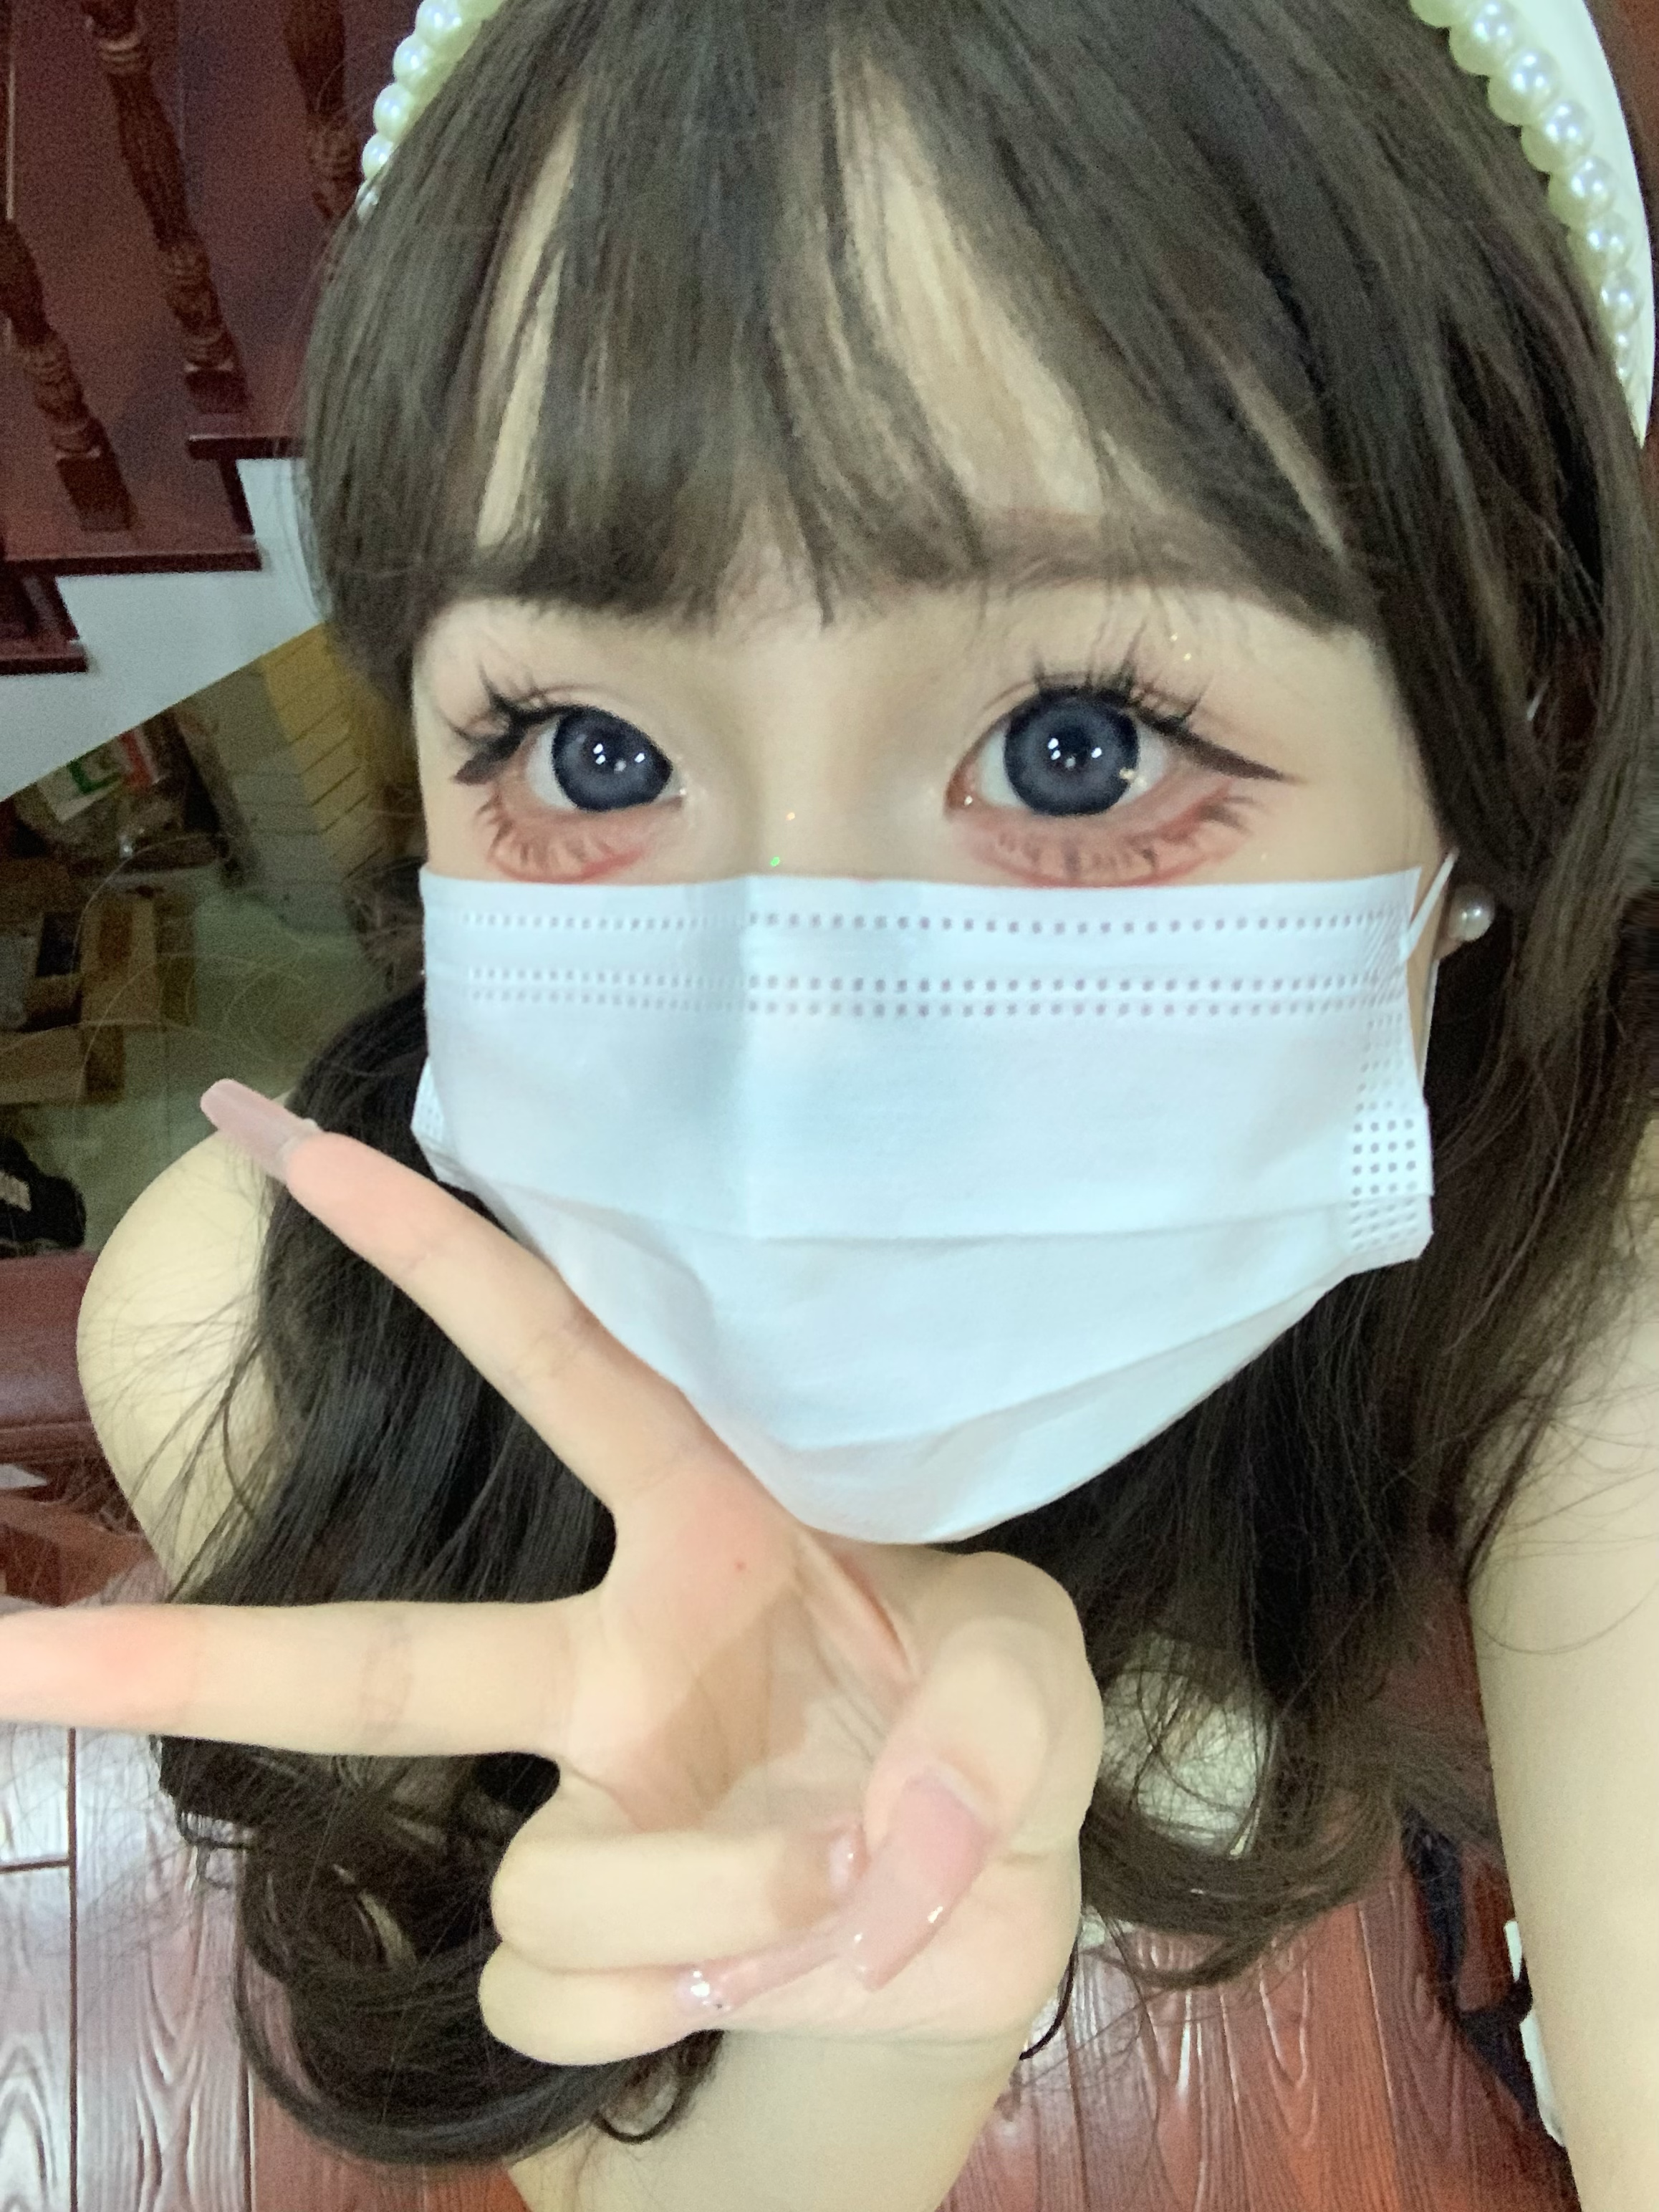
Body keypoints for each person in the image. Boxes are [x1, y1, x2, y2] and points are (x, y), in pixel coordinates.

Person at [36, 0, 1658, 2206]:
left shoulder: (1590, 1220)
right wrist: (836, 2056)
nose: (790, 1076)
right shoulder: (261, 1328)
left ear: (1514, 721)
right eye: (592, 748)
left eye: (1078, 748)